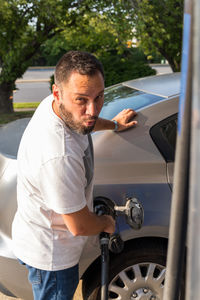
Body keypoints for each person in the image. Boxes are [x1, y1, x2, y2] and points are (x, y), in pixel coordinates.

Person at [12, 50, 137, 300]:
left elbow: (85, 123)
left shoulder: (56, 107)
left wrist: (113, 124)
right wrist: (106, 223)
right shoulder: (59, 155)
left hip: (36, 233)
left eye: (99, 97)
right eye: (82, 99)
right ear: (57, 93)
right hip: (52, 258)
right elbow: (79, 226)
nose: (92, 109)